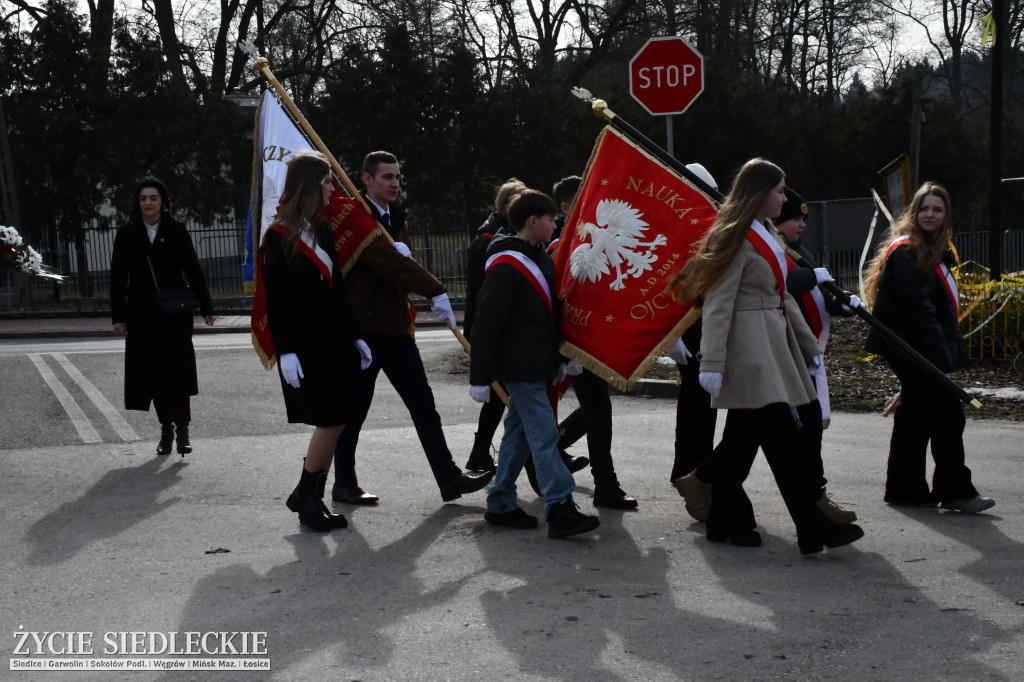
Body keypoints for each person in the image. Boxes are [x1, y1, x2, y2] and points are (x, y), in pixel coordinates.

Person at [669, 158, 864, 555]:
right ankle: (812, 527)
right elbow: (719, 304)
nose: (783, 197)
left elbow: (782, 295)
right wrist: (712, 362)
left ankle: (721, 513)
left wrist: (809, 348)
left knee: (744, 441)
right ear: (760, 193)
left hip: (773, 344)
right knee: (782, 439)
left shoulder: (768, 235)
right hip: (749, 350)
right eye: (778, 189)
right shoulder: (734, 237)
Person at [331, 150, 493, 505]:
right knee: (354, 410)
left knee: (423, 404)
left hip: (396, 329)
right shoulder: (357, 218)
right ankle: (343, 482)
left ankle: (448, 478)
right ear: (366, 179)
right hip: (364, 332)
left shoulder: (392, 218)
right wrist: (435, 288)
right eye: (386, 177)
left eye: (397, 177)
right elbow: (386, 261)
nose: (394, 183)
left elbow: (397, 268)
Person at [469, 189, 600, 538]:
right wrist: (479, 375)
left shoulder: (539, 256)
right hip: (517, 366)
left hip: (535, 362)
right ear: (532, 221)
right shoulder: (505, 262)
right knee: (544, 434)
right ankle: (560, 506)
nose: (555, 223)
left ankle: (499, 502)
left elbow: (548, 315)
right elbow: (487, 322)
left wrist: (561, 357)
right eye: (549, 219)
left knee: (519, 435)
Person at [863, 182, 995, 514]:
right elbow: (918, 311)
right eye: (924, 208)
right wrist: (940, 360)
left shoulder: (928, 250)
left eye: (937, 209)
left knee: (915, 415)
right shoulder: (909, 252)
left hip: (911, 348)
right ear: (914, 213)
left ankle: (904, 487)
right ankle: (955, 490)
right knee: (948, 416)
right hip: (915, 349)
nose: (930, 215)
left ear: (946, 215)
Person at [260, 150, 373, 531]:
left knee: (340, 420)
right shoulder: (277, 237)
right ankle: (306, 496)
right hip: (306, 347)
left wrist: (356, 336)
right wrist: (287, 350)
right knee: (331, 419)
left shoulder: (322, 228)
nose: (331, 189)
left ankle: (310, 497)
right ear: (310, 185)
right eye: (326, 182)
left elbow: (338, 291)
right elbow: (278, 303)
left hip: (335, 341)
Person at [110, 176, 215, 457]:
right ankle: (166, 430)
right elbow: (117, 278)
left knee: (177, 371)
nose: (148, 203)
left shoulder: (177, 230)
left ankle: (183, 429)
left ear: (163, 201)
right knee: (153, 374)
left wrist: (206, 307)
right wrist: (118, 317)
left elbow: (192, 269)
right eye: (143, 198)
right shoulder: (127, 233)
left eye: (153, 198)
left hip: (175, 314)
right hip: (141, 316)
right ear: (138, 202)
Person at [774, 187, 858, 523]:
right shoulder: (776, 255)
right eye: (794, 217)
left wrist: (843, 304)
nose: (802, 224)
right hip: (787, 357)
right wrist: (807, 277)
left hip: (807, 357)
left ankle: (816, 498)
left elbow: (818, 299)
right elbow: (778, 286)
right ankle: (814, 502)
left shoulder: (797, 252)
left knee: (803, 435)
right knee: (792, 435)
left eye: (803, 218)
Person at [463, 178, 526, 472]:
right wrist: (476, 340)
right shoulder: (486, 241)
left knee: (503, 398)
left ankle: (480, 453)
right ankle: (542, 461)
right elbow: (478, 296)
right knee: (510, 397)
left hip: (513, 332)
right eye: (517, 199)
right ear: (504, 206)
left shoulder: (520, 237)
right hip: (495, 333)